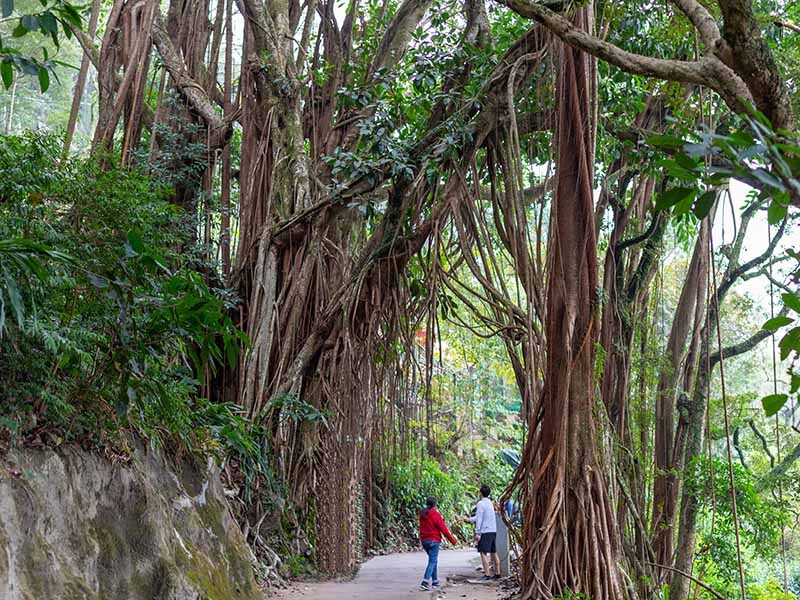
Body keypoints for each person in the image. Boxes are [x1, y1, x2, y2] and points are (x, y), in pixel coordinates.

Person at [418, 496, 458, 591]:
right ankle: (425, 582)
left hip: (424, 541)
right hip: (433, 541)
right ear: (435, 505)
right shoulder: (435, 514)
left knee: (433, 560)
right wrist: (453, 541)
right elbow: (443, 529)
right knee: (432, 561)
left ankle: (435, 581)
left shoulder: (422, 514)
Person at [465, 484, 501, 581]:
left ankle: (487, 574)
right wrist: (468, 519)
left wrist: (478, 533)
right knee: (493, 552)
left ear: (480, 493)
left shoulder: (480, 504)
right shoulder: (490, 503)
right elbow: (479, 517)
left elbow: (479, 519)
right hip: (493, 530)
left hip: (485, 531)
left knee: (483, 553)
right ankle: (498, 573)